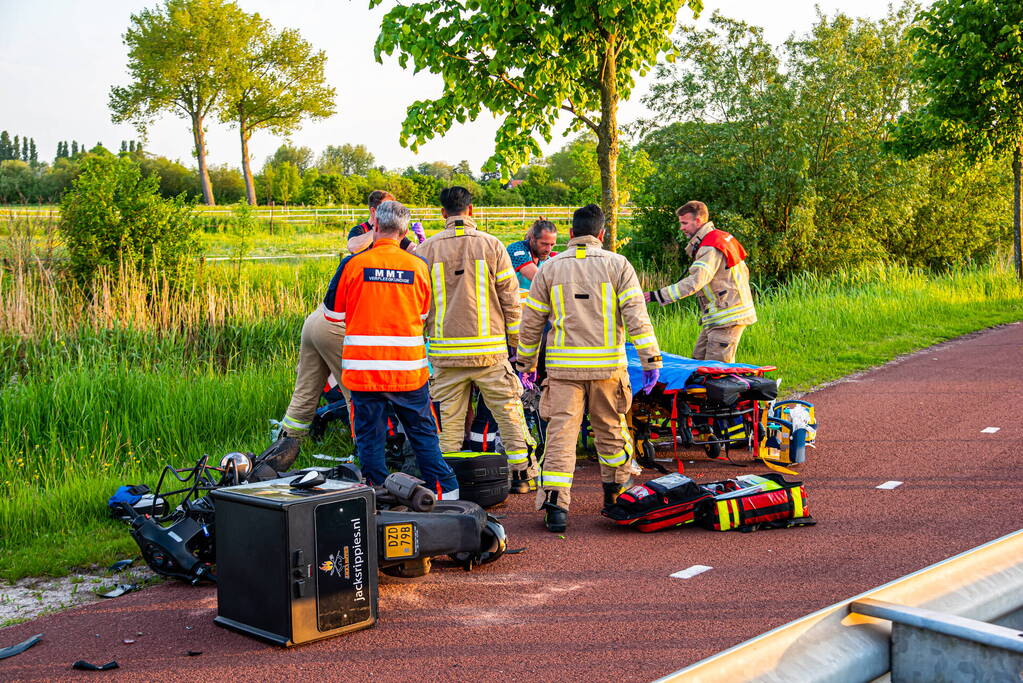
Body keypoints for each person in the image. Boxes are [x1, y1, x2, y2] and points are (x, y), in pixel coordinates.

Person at [515, 204, 663, 533]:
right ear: (601, 234)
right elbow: (637, 317)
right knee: (611, 431)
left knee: (561, 437)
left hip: (564, 371)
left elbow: (531, 322)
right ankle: (616, 497)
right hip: (608, 369)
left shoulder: (549, 268)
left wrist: (526, 364)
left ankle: (556, 508)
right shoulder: (619, 265)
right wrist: (650, 360)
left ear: (570, 234)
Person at [325, 199, 459, 496]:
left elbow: (332, 315)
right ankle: (449, 497)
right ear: (404, 230)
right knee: (423, 436)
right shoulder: (418, 266)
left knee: (370, 438)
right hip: (408, 371)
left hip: (364, 370)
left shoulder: (352, 264)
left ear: (374, 226)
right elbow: (424, 314)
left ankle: (377, 498)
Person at [416, 186, 539, 493]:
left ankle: (450, 485)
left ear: (443, 213)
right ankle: (522, 476)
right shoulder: (492, 245)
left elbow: (416, 306)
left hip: (445, 355)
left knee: (449, 424)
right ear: (470, 210)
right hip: (490, 354)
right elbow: (511, 300)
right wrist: (517, 345)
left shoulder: (425, 250)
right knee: (510, 416)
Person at [644, 201, 756, 363]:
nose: (681, 228)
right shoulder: (719, 238)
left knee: (715, 373)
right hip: (719, 316)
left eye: (685, 223)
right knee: (697, 362)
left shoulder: (710, 247)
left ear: (698, 221)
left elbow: (694, 282)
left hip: (727, 318)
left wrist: (657, 295)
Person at [348, 190, 425, 254]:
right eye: (386, 209)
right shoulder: (360, 230)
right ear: (373, 211)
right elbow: (353, 247)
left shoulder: (393, 231)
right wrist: (378, 227)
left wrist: (421, 241)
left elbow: (414, 252)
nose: (392, 212)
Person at [507, 219, 558, 292]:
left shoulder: (545, 254)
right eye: (544, 244)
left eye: (552, 244)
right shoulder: (516, 249)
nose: (548, 249)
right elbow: (538, 278)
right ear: (533, 239)